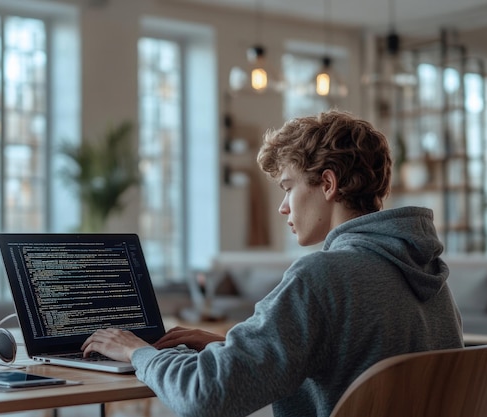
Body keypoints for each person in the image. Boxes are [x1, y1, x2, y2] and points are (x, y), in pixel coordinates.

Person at [81, 110, 463, 417]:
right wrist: (230, 349)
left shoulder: (322, 275)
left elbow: (205, 397)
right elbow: (350, 369)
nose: (283, 207)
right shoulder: (431, 277)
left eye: (288, 187)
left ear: (328, 184)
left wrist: (138, 351)